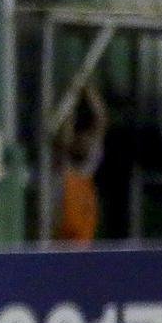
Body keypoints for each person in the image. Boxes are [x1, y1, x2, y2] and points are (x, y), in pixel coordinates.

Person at [53, 85, 108, 244]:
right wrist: (87, 91)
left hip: (70, 238)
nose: (84, 139)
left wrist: (71, 102)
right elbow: (101, 120)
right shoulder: (88, 165)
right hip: (70, 236)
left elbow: (65, 137)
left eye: (86, 139)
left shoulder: (69, 169)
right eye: (83, 138)